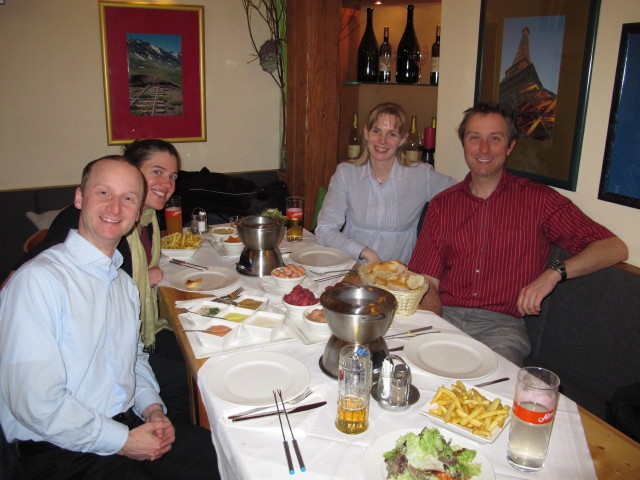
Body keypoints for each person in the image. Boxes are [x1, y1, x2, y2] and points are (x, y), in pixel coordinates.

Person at [0, 156, 219, 479]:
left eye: (128, 198)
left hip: (126, 425)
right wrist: (123, 442)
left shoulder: (121, 283)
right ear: (79, 198)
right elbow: (35, 405)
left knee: (227, 457)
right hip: (60, 451)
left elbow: (134, 360)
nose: (115, 208)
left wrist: (153, 409)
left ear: (138, 211)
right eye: (104, 193)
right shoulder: (39, 282)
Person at [408, 102, 629, 366]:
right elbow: (427, 282)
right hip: (446, 316)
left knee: (490, 392)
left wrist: (553, 273)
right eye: (474, 138)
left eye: (495, 139)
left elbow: (614, 247)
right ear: (464, 144)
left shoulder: (539, 200)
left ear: (510, 146)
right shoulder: (442, 205)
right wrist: (431, 331)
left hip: (501, 328)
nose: (484, 149)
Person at [9, 139, 188, 422]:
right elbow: (22, 277)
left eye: (172, 176)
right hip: (82, 400)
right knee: (189, 369)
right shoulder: (85, 227)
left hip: (128, 345)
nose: (166, 182)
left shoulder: (144, 222)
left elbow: (131, 351)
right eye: (157, 171)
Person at [315, 102, 457, 264]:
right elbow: (324, 230)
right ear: (366, 133)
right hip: (351, 270)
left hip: (398, 278)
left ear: (402, 139)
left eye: (392, 134)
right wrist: (364, 252)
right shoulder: (346, 173)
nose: (382, 141)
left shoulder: (421, 175)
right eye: (376, 131)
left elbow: (463, 193)